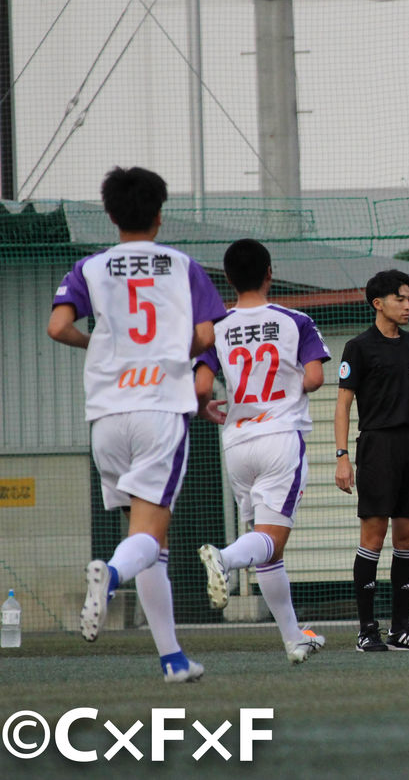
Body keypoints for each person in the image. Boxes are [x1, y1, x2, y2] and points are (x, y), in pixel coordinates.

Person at [48, 166, 225, 683]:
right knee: (147, 536)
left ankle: (172, 659)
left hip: (106, 415)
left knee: (150, 541)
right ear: (159, 213)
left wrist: (98, 345)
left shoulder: (91, 267)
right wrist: (176, 354)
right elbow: (206, 332)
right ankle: (110, 578)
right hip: (158, 408)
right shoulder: (181, 264)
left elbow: (59, 326)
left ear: (110, 214)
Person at [193, 239, 330, 664]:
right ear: (269, 272)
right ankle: (225, 557)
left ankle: (294, 639)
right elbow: (314, 379)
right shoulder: (296, 321)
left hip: (236, 442)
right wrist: (290, 384)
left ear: (228, 279)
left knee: (268, 546)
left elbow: (200, 388)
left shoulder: (215, 326)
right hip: (280, 437)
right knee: (268, 541)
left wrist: (207, 405)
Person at [335, 270, 409, 652]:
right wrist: (342, 456)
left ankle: (401, 628)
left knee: (408, 536)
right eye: (400, 298)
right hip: (377, 447)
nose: (408, 305)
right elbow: (343, 404)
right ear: (378, 303)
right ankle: (366, 630)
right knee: (373, 537)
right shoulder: (358, 346)